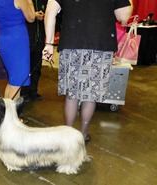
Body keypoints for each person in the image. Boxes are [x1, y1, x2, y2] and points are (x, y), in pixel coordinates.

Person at [42, 0, 133, 143]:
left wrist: (48, 44)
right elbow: (123, 17)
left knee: (72, 95)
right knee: (90, 95)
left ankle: (68, 136)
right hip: (100, 45)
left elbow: (50, 12)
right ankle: (82, 135)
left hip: (71, 43)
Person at [20, 0, 48, 102]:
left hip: (39, 38)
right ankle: (24, 93)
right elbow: (18, 16)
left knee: (36, 67)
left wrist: (45, 16)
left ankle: (33, 91)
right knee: (25, 68)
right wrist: (33, 15)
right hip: (26, 38)